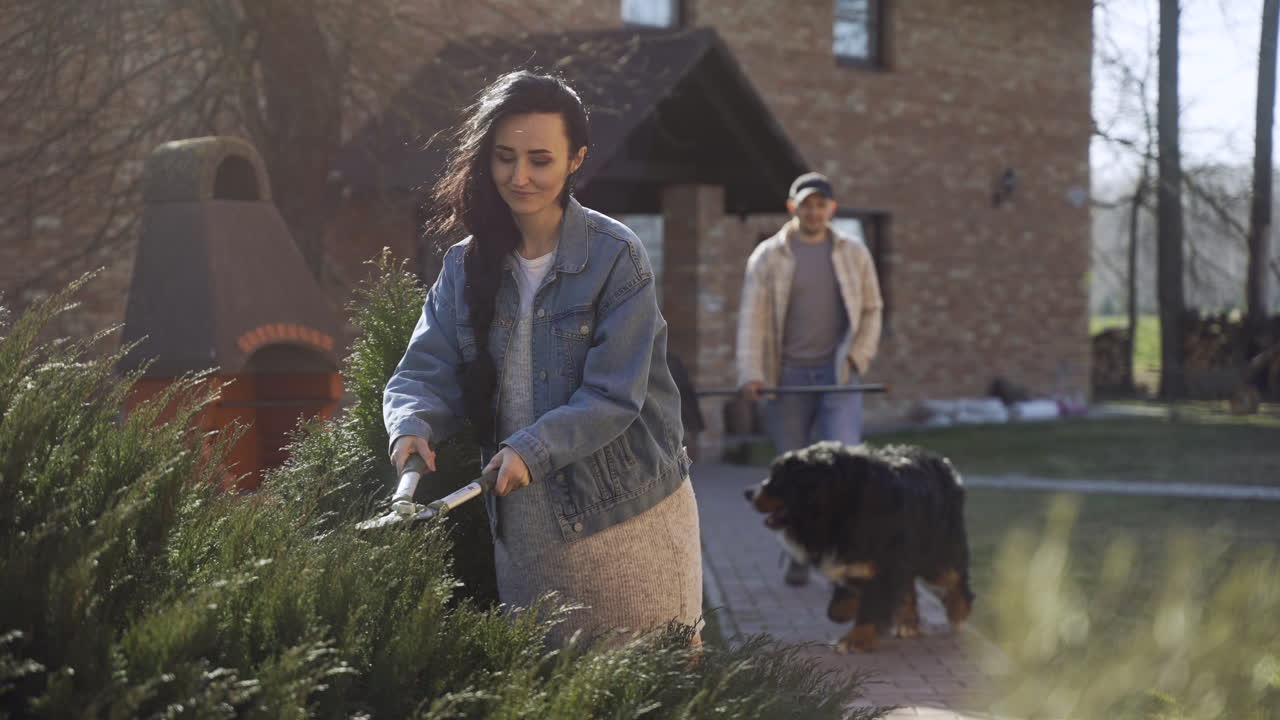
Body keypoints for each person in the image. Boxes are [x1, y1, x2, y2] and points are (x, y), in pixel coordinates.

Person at [383, 71, 701, 646]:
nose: (519, 177)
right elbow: (423, 368)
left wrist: (531, 448)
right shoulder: (462, 264)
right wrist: (410, 426)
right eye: (504, 157)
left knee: (650, 690)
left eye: (539, 159)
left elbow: (613, 395)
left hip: (623, 514)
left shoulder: (616, 256)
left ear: (575, 159)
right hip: (522, 519)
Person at [735, 171, 883, 586]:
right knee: (792, 472)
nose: (813, 211)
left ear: (831, 209)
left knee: (845, 464)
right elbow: (752, 319)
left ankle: (846, 549)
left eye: (821, 205)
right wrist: (752, 373)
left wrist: (858, 357)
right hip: (787, 377)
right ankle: (798, 551)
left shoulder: (853, 252)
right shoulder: (768, 256)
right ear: (792, 207)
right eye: (806, 205)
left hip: (838, 374)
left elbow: (872, 309)